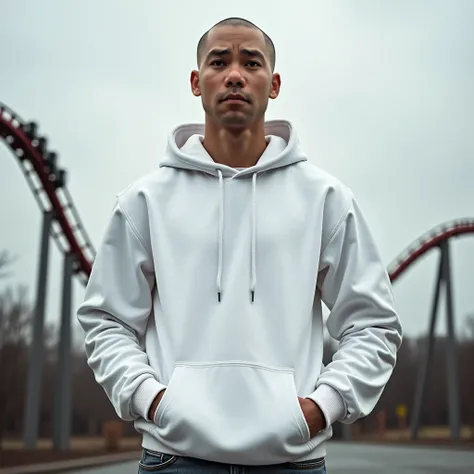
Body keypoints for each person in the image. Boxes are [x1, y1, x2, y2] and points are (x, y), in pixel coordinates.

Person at [77, 17, 403, 474]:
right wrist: (153, 401)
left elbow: (373, 325)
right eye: (219, 61)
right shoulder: (144, 200)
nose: (234, 74)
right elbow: (106, 320)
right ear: (196, 81)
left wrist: (320, 408)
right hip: (176, 459)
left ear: (273, 84)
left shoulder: (325, 199)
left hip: (293, 461)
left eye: (251, 62)